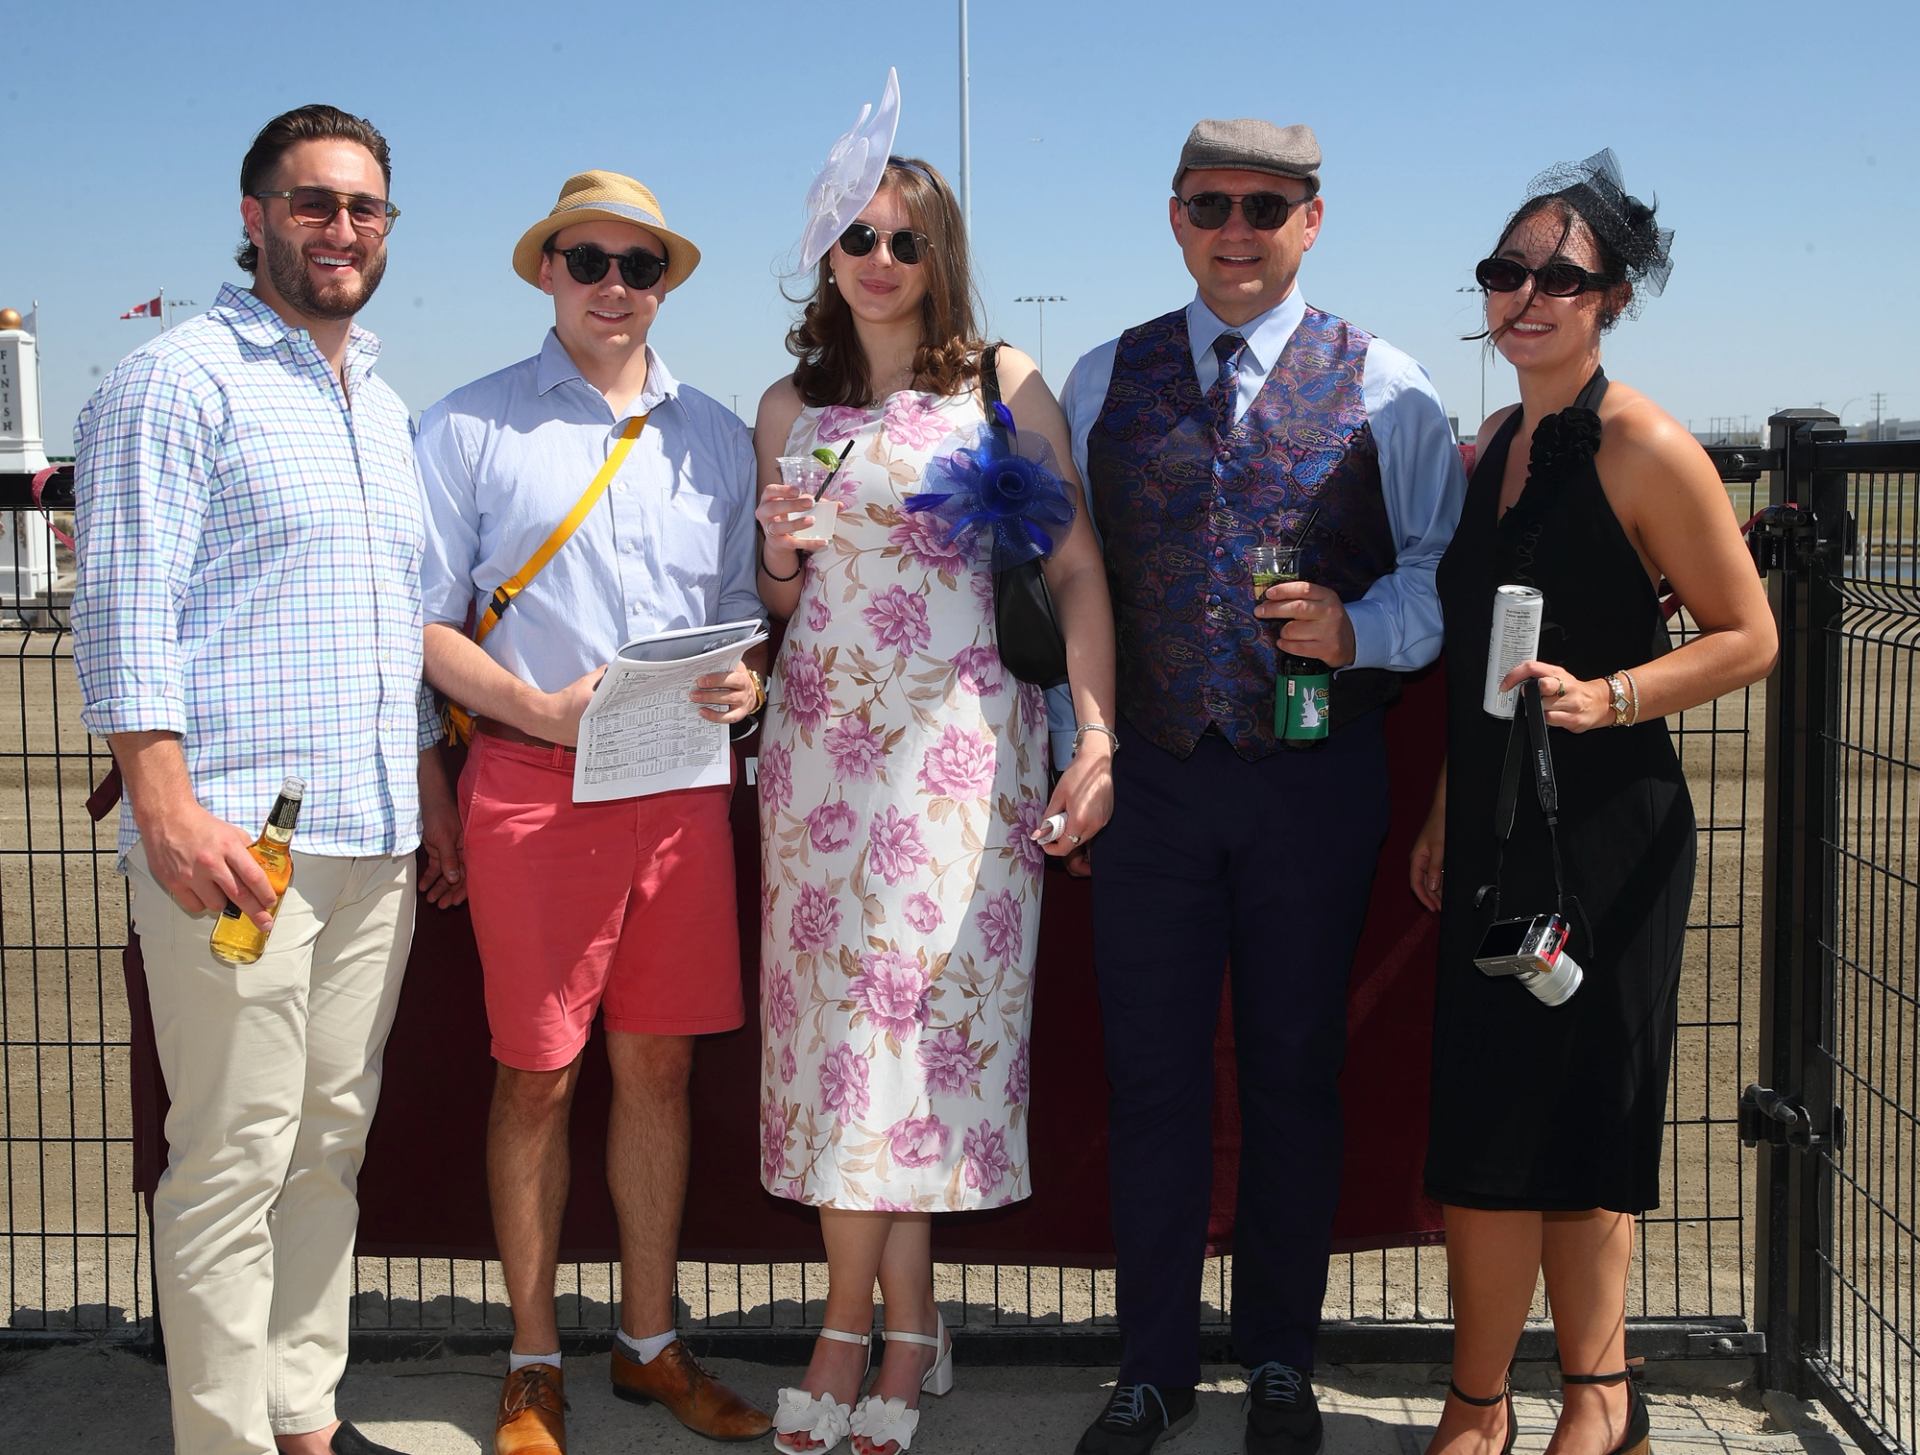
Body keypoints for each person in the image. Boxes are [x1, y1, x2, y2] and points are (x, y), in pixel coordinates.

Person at [1056, 119, 1467, 1455]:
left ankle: (1282, 1355)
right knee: (1153, 1078)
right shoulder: (1103, 374)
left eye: (1266, 206)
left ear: (1313, 219)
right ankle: (1154, 1362)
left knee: (1296, 1068)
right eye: (1211, 203)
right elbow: (1073, 589)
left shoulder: (1391, 382)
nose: (1237, 227)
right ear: (1175, 216)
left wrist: (1361, 628)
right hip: (1159, 784)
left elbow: (1435, 580)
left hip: (1312, 779)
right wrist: (1084, 742)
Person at [72, 103, 460, 1455]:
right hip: (240, 839)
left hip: (374, 832)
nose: (340, 229)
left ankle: (302, 1411)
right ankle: (228, 1436)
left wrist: (430, 785)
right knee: (232, 1153)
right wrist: (164, 800)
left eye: (364, 207)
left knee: (325, 1138)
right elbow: (124, 603)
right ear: (254, 219)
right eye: (312, 203)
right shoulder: (173, 381)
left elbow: (386, 617)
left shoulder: (383, 402)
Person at [754, 71, 1116, 1455]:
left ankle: (855, 1329)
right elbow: (786, 605)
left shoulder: (1002, 387)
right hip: (818, 767)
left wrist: (1097, 734)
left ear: (942, 254)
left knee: (909, 1048)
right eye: (860, 236)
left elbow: (1073, 569)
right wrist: (783, 550)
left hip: (961, 766)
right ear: (826, 251)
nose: (884, 260)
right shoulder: (788, 406)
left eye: (908, 239)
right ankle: (898, 1321)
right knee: (839, 1052)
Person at [1408, 151, 1775, 1455]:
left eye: (1557, 275)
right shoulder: (1493, 445)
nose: (1525, 295)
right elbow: (1481, 667)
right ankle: (1476, 1398)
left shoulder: (1643, 444)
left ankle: (1598, 1397)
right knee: (1487, 1129)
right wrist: (1453, 803)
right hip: (1502, 831)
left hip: (1611, 835)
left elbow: (1749, 635)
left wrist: (1612, 694)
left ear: (1610, 296)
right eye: (1505, 272)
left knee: (1586, 1120)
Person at [414, 170, 771, 1455]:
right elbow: (418, 626)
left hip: (679, 794)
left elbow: (744, 617)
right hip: (529, 788)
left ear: (665, 283)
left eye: (640, 265)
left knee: (661, 1071)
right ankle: (529, 1358)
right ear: (546, 272)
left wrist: (746, 681)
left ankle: (646, 1342)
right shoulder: (466, 429)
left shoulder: (720, 436)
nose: (615, 286)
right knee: (537, 1081)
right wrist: (530, 709)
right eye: (590, 260)